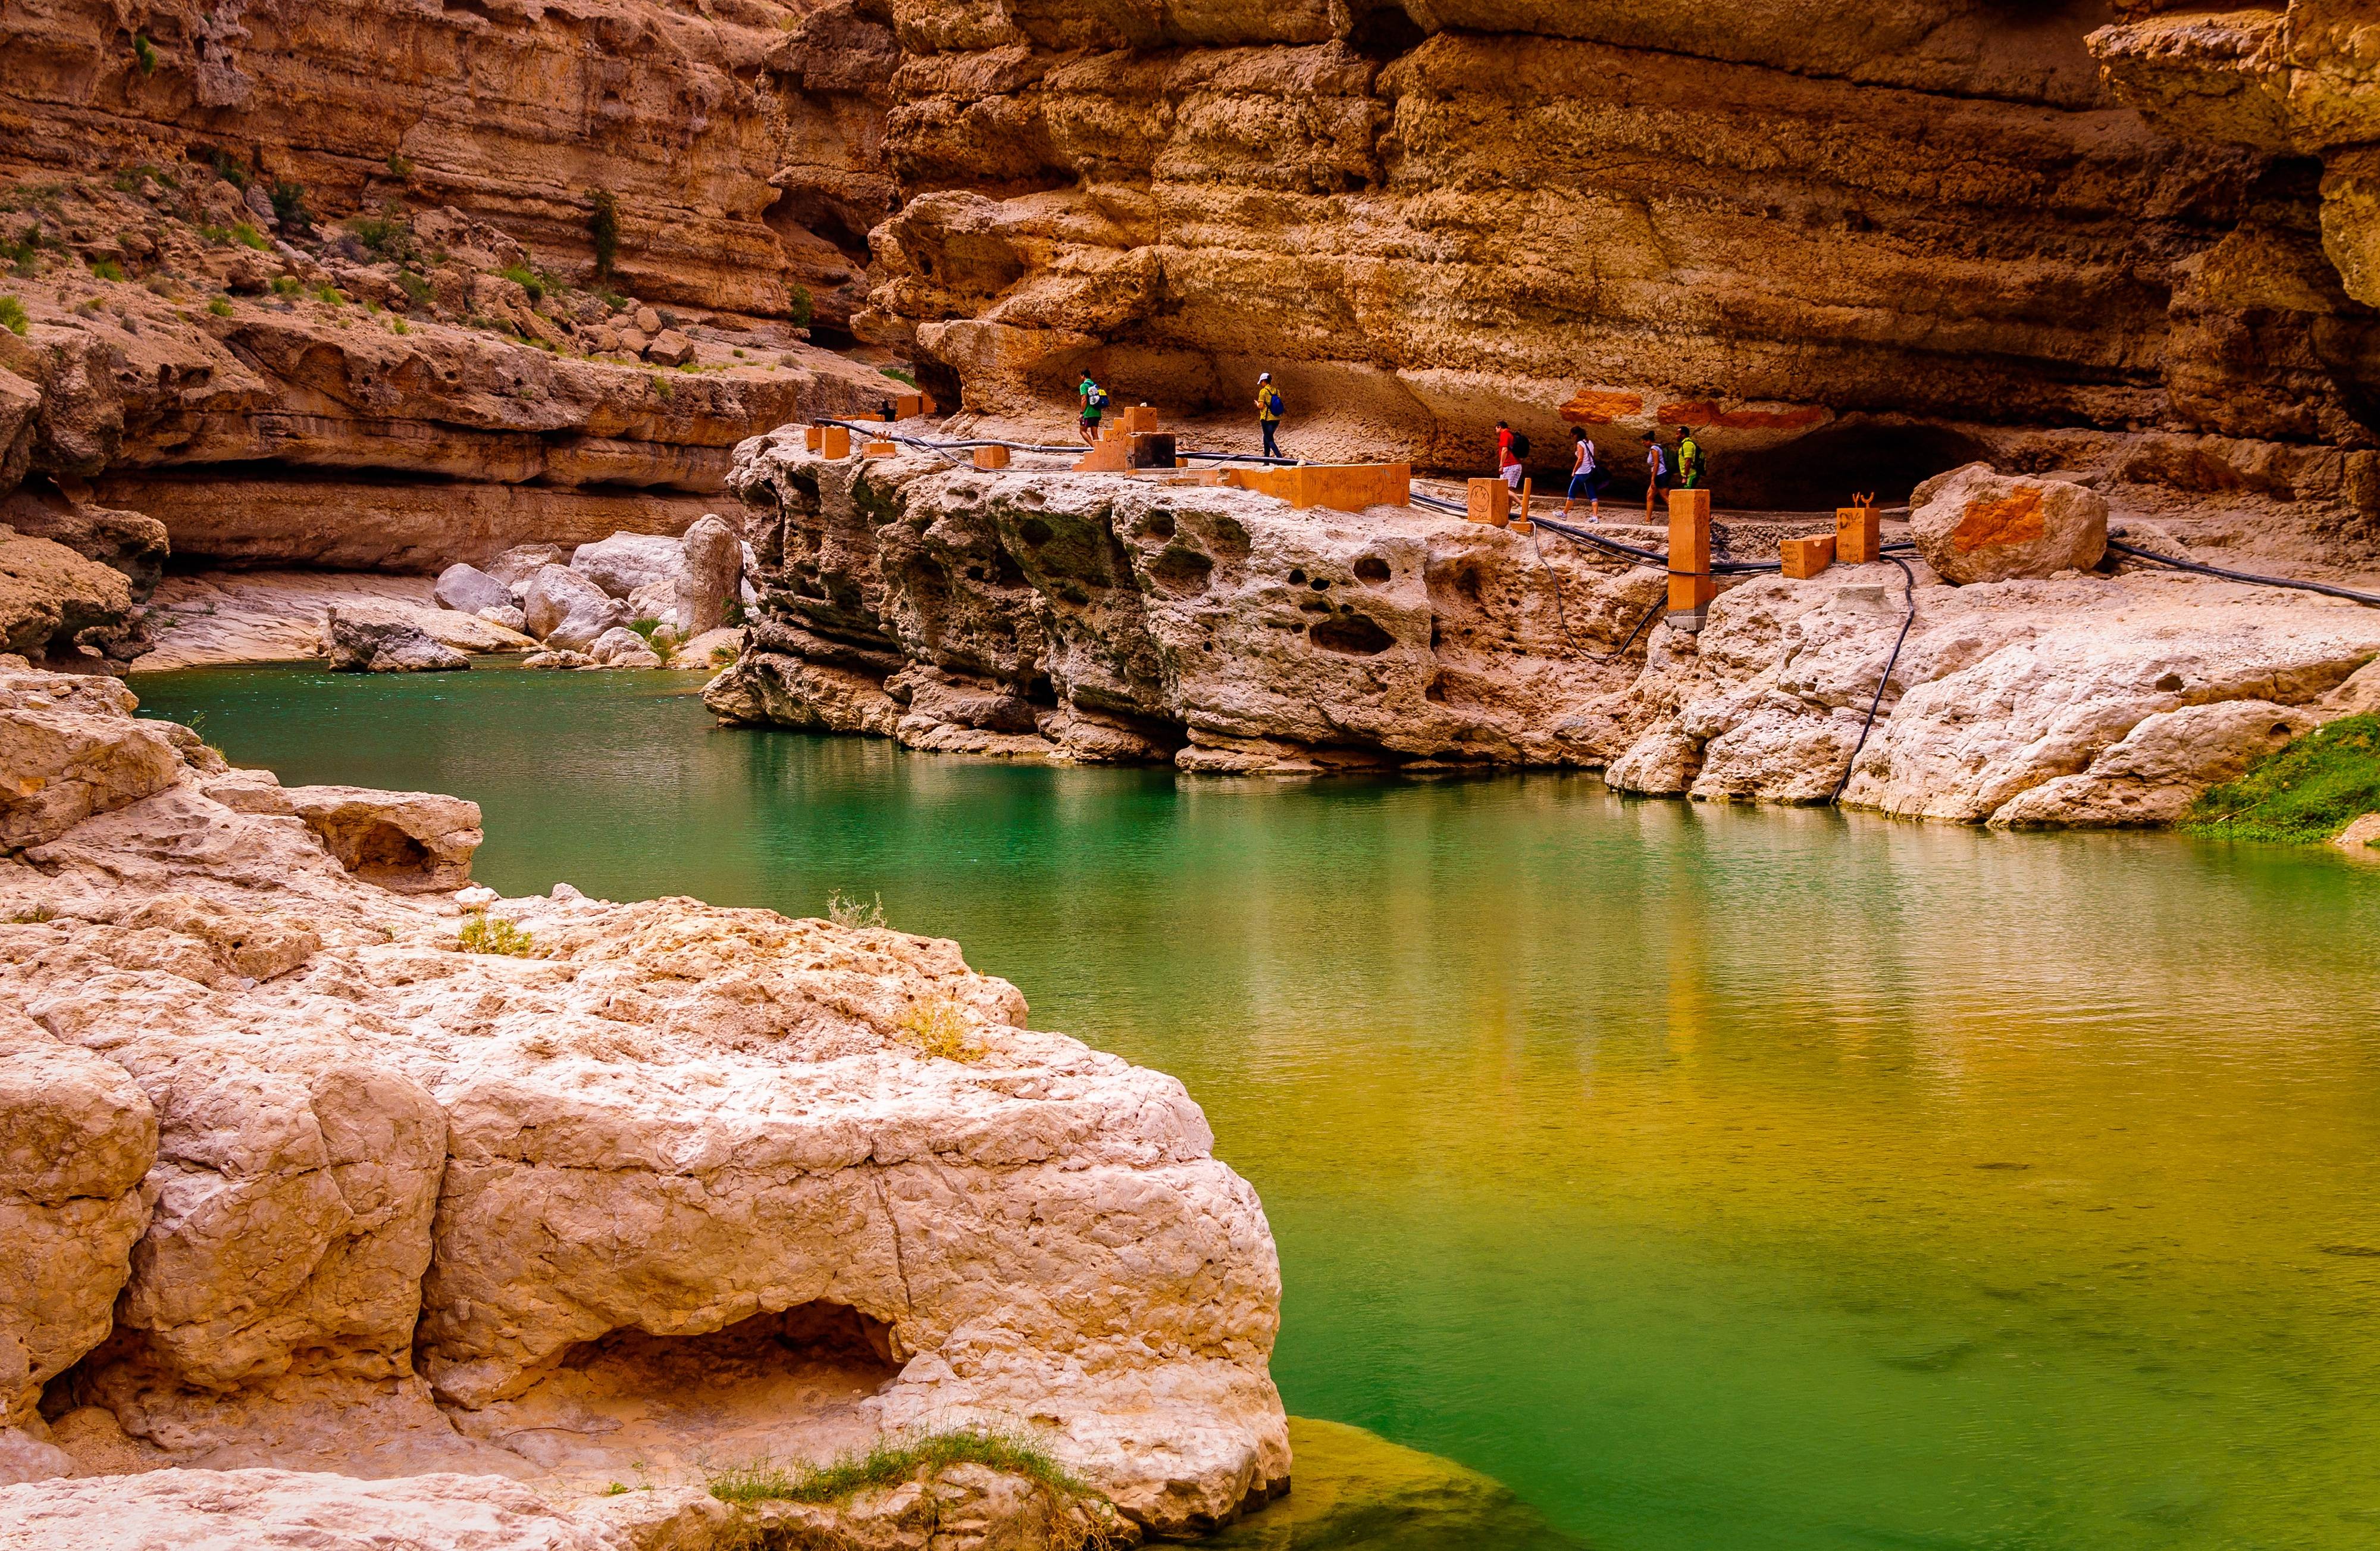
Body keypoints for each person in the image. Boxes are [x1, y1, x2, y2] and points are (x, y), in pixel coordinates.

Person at [1564, 427, 1604, 520]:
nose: (1572, 437)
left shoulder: (1580, 444)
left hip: (1582, 471)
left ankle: (1564, 513)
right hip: (1590, 470)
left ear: (1576, 435)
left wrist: (1574, 470)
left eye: (1573, 435)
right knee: (1592, 493)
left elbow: (1580, 459)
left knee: (1572, 493)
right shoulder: (1590, 443)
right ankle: (1595, 516)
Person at [1254, 372, 1286, 458]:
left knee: (1269, 440)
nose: (1261, 384)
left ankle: (1280, 458)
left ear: (1264, 381)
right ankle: (1266, 461)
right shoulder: (1276, 391)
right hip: (1276, 419)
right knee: (1266, 438)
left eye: (1261, 382)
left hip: (1267, 419)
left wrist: (1257, 403)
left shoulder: (1263, 391)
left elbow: (1261, 406)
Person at [1642, 431, 1667, 515]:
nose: (1643, 444)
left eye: (1644, 442)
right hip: (1660, 474)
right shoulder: (1658, 447)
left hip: (1660, 475)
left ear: (1649, 440)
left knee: (1665, 497)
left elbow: (1656, 464)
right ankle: (1648, 520)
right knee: (1650, 496)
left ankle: (1680, 516)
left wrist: (1653, 479)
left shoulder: (1654, 449)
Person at [1077, 374, 1108, 443]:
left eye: (1080, 376)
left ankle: (1094, 447)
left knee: (1082, 431)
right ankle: (1098, 450)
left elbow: (1084, 399)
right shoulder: (1095, 385)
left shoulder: (1083, 386)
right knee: (1095, 433)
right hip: (1097, 412)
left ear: (1083, 376)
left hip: (1088, 413)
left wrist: (1082, 413)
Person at [1498, 422, 1528, 491]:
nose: (1495, 429)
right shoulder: (1511, 435)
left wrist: (1501, 465)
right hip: (1515, 464)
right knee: (1508, 489)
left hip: (1510, 465)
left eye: (1496, 427)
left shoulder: (1505, 434)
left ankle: (1521, 502)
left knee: (1505, 490)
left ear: (1500, 427)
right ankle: (1509, 502)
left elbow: (1504, 450)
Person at [1676, 426, 1703, 490]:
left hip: (1691, 475)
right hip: (1689, 474)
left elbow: (1688, 461)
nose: (1676, 436)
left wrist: (1685, 477)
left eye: (1677, 434)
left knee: (1687, 493)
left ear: (1683, 434)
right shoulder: (1685, 444)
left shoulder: (1687, 444)